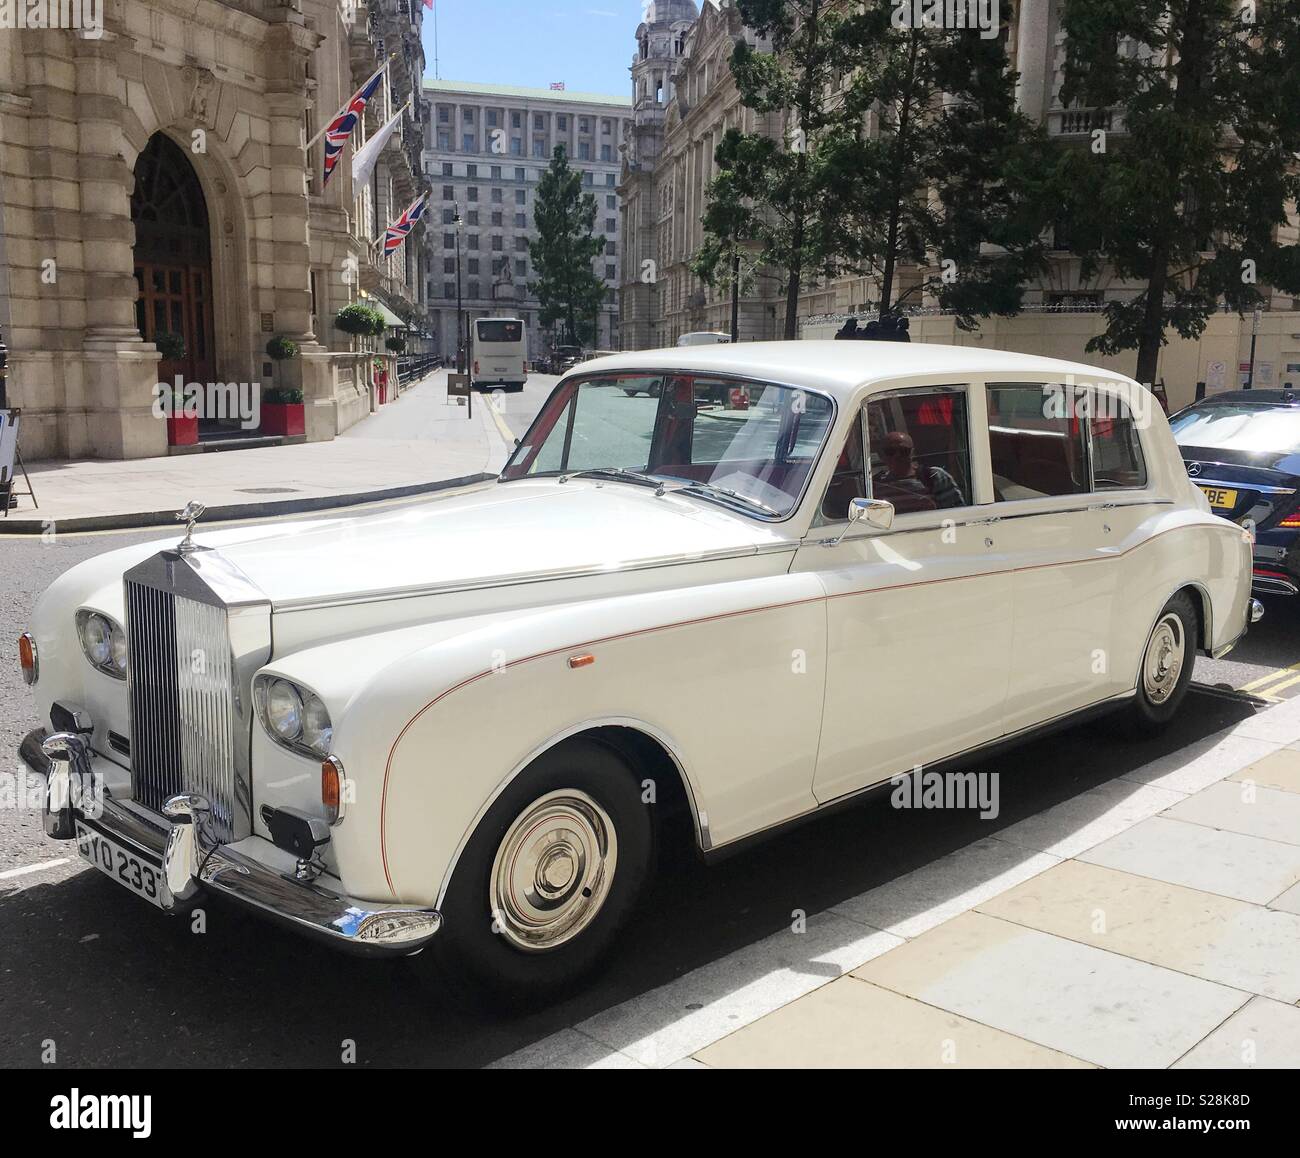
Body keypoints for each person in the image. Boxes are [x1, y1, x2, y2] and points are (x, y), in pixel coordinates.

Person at [872, 431, 964, 511]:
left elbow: (957, 512)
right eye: (890, 451)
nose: (897, 456)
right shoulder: (875, 485)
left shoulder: (935, 476)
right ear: (882, 455)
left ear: (912, 453)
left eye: (904, 451)